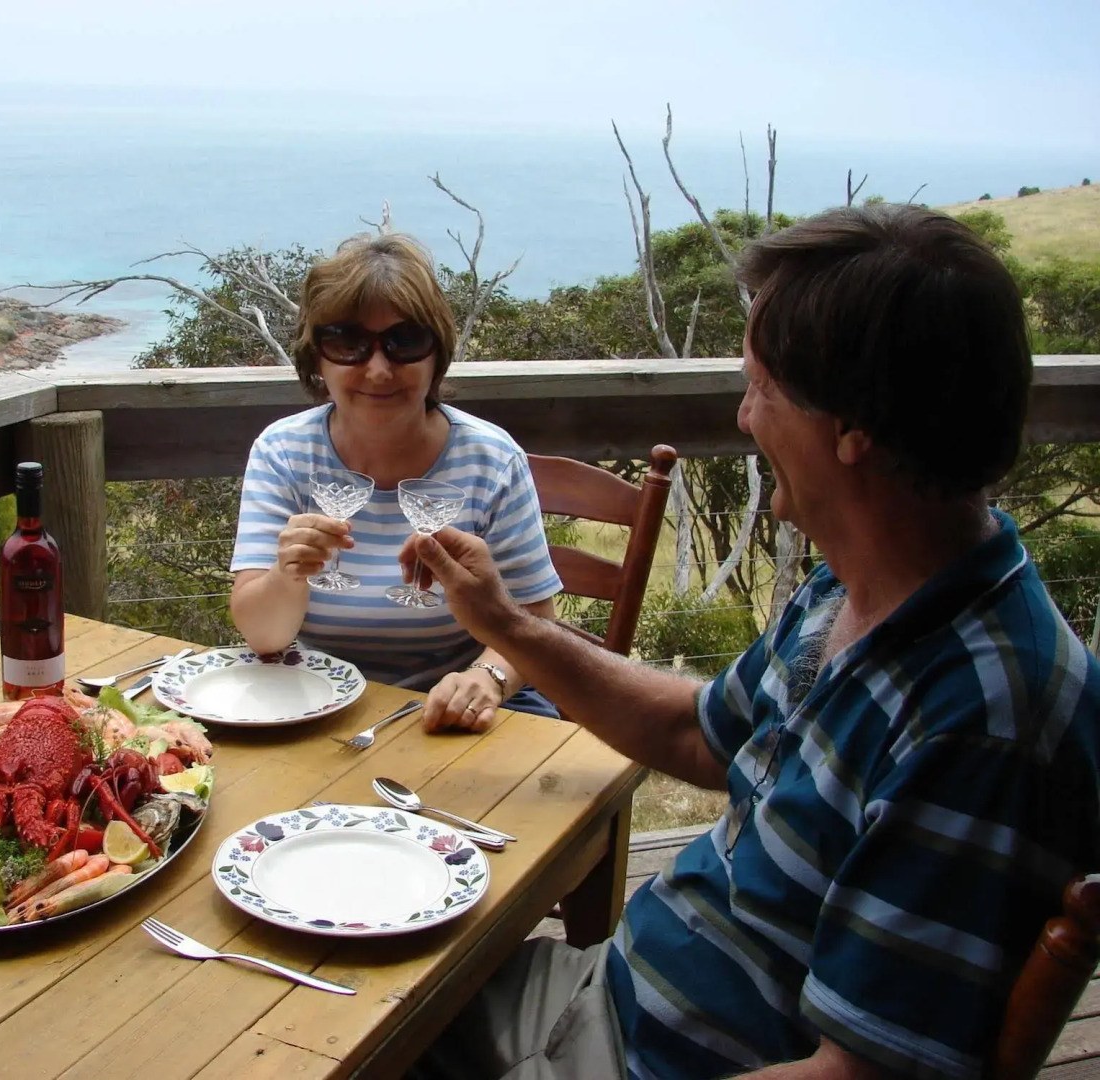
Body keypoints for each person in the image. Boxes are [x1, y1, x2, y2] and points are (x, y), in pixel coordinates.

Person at [401, 204, 1100, 1080]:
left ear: (854, 431)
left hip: (654, 1062)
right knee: (337, 1000)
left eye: (762, 386)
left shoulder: (987, 720)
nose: (741, 415)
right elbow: (701, 733)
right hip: (617, 995)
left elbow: (863, 1074)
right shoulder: (852, 585)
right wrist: (505, 626)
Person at [229, 232, 563, 729]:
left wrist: (488, 676)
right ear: (318, 359)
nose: (379, 369)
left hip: (463, 707)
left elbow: (536, 615)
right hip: (320, 701)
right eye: (348, 344)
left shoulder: (491, 459)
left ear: (437, 355)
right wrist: (287, 574)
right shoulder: (283, 452)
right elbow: (265, 639)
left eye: (406, 342)